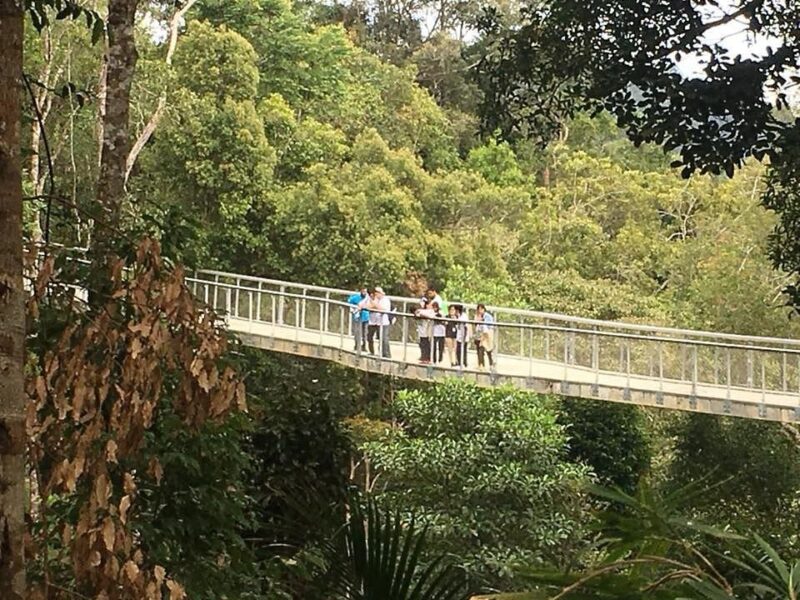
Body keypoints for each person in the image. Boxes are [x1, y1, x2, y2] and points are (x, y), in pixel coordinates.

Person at [369, 286, 392, 358]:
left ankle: (387, 354)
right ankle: (381, 353)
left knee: (384, 339)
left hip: (384, 322)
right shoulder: (376, 300)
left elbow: (384, 309)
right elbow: (369, 307)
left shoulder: (385, 300)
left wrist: (376, 305)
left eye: (377, 293)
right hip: (377, 322)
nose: (376, 295)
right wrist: (374, 304)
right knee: (379, 339)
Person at [347, 287, 369, 352]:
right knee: (357, 332)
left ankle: (364, 346)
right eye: (363, 291)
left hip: (366, 317)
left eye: (365, 291)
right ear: (361, 291)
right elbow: (349, 301)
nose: (364, 293)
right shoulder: (356, 297)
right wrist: (353, 309)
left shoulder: (368, 298)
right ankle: (357, 345)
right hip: (358, 317)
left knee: (365, 333)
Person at [474, 303, 495, 370]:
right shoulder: (477, 316)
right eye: (478, 309)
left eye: (481, 309)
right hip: (480, 334)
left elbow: (487, 328)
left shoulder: (487, 316)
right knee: (480, 350)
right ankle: (481, 364)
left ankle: (491, 364)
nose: (480, 311)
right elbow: (476, 325)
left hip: (487, 333)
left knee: (488, 350)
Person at [415, 298, 434, 363]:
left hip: (427, 332)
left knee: (426, 345)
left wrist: (422, 315)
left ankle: (427, 358)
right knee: (421, 344)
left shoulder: (430, 311)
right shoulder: (421, 310)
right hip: (421, 331)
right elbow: (416, 314)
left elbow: (430, 316)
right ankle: (423, 356)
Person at [366, 289, 381, 355]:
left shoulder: (378, 300)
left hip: (379, 322)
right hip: (371, 322)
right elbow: (368, 307)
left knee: (380, 338)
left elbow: (379, 307)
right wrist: (374, 307)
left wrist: (374, 306)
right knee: (369, 337)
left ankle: (380, 352)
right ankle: (371, 351)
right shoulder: (368, 300)